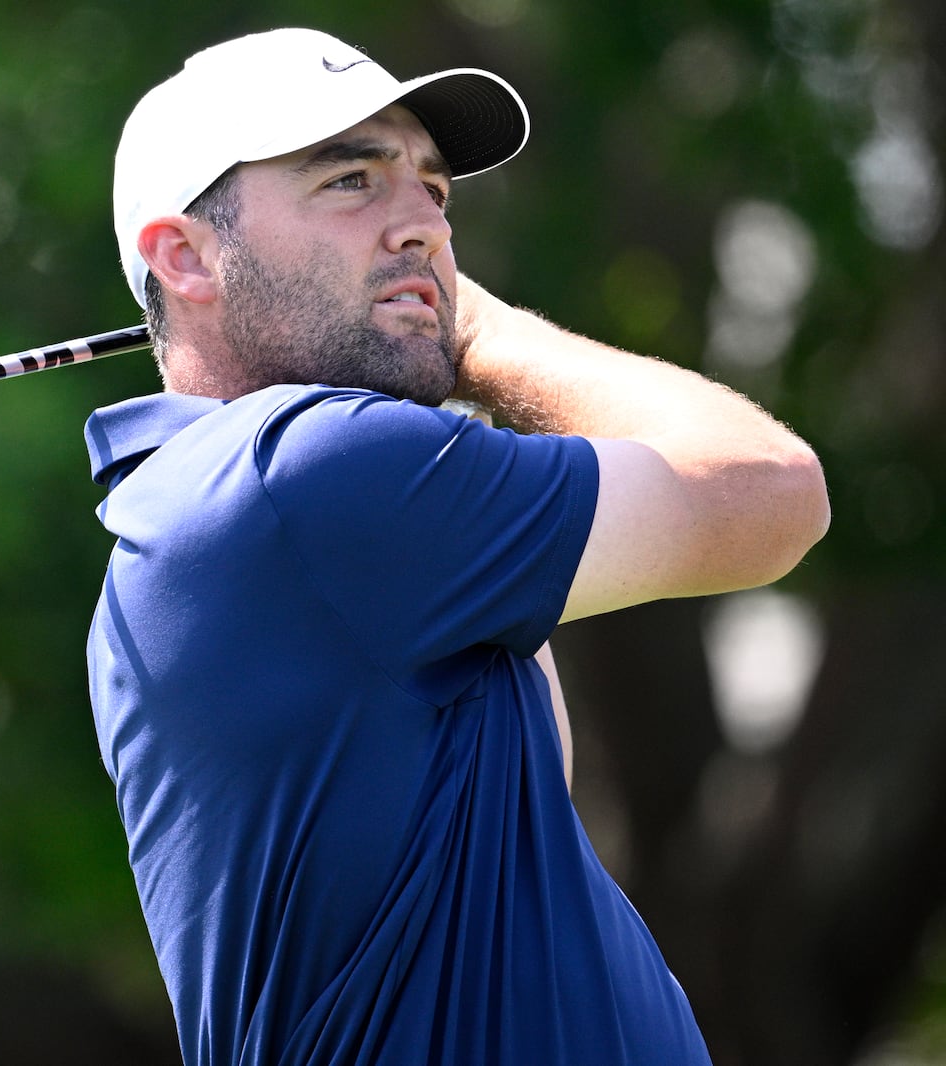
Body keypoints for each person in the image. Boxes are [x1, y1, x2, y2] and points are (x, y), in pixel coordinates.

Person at [83, 26, 829, 1066]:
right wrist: (483, 331)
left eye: (433, 190)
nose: (422, 228)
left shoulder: (256, 511)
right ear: (185, 255)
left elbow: (540, 766)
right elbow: (769, 494)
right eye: (350, 181)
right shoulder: (308, 475)